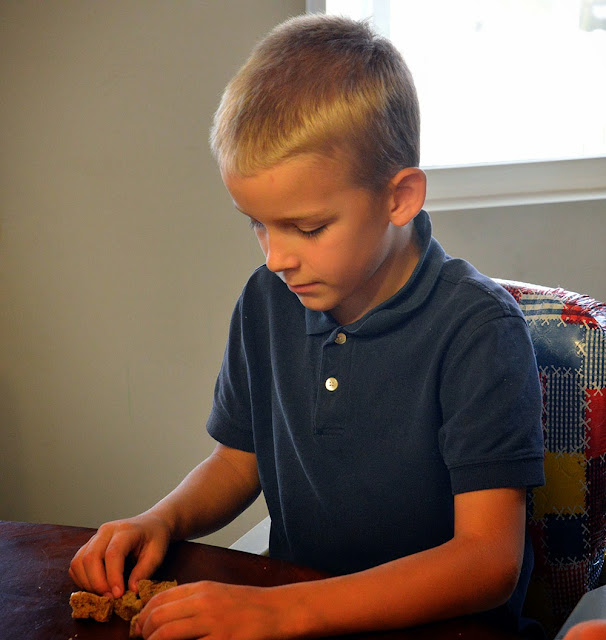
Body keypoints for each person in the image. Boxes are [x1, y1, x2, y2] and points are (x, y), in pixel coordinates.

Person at [69, 14, 545, 640]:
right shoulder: (267, 300)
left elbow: (487, 562)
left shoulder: (479, 332)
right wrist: (162, 519)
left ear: (400, 197)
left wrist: (282, 611)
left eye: (308, 228)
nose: (276, 258)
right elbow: (238, 462)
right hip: (296, 612)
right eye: (257, 224)